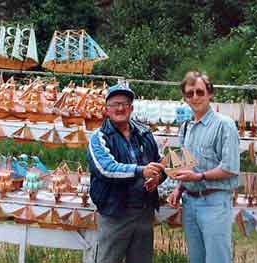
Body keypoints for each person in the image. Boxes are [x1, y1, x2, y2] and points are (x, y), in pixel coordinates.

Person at [87, 82, 166, 263]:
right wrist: (141, 171)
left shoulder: (145, 134)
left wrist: (157, 177)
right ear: (106, 109)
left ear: (131, 108)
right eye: (115, 104)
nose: (120, 108)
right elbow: (106, 169)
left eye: (125, 104)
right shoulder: (99, 138)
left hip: (144, 213)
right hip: (115, 214)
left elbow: (160, 163)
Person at [168, 71, 240, 263]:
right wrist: (179, 188)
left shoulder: (225, 125)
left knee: (217, 259)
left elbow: (230, 167)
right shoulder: (186, 127)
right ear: (184, 97)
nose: (195, 97)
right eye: (189, 94)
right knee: (196, 259)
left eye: (200, 92)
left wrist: (199, 177)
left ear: (210, 94)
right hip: (190, 204)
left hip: (214, 202)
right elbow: (187, 165)